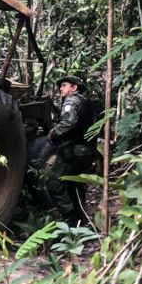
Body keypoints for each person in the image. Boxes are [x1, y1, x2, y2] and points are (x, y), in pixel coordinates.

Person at [47, 75, 96, 224]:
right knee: (76, 185)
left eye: (64, 85)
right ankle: (82, 220)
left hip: (73, 150)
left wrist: (53, 133)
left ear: (74, 88)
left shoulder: (72, 100)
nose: (61, 88)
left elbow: (68, 122)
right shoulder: (86, 102)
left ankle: (71, 218)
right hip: (86, 151)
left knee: (54, 183)